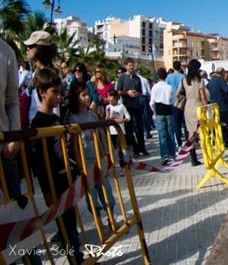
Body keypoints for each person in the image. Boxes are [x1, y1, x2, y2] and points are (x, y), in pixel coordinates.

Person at [30, 68, 83, 263]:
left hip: (65, 178)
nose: (59, 96)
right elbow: (38, 161)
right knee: (66, 227)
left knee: (70, 227)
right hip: (53, 183)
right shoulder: (38, 123)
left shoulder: (56, 118)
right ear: (43, 92)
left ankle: (77, 258)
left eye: (61, 92)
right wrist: (46, 189)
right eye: (55, 92)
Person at [66, 81, 116, 220]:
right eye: (83, 95)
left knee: (107, 192)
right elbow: (75, 145)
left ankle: (112, 218)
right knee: (92, 197)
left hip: (98, 160)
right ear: (76, 97)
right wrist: (80, 165)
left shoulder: (92, 115)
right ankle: (99, 222)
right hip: (85, 162)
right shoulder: (73, 118)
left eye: (88, 94)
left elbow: (99, 138)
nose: (87, 98)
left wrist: (104, 155)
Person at [1, 38, 21, 203]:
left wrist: (14, 137)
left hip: (3, 146)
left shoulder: (6, 53)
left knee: (11, 208)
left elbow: (12, 101)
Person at [23, 30, 58, 125]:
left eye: (30, 46)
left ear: (39, 48)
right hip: (34, 126)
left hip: (45, 130)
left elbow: (54, 107)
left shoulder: (51, 75)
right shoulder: (36, 73)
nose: (27, 49)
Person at [117, 58, 147, 157]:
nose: (132, 67)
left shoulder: (137, 78)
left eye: (133, 65)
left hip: (136, 105)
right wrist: (127, 93)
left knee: (139, 128)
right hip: (126, 106)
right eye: (130, 65)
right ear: (126, 66)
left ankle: (142, 148)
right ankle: (135, 148)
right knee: (129, 129)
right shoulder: (121, 78)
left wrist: (136, 94)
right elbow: (118, 91)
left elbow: (140, 91)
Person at [180, 59, 208, 166]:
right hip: (198, 107)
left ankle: (193, 159)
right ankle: (207, 155)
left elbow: (179, 92)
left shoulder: (184, 80)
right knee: (203, 132)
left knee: (191, 134)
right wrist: (206, 107)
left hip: (188, 107)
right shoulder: (200, 80)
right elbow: (203, 96)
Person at [150, 68, 176, 165]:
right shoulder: (169, 87)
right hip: (168, 111)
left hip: (159, 111)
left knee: (162, 135)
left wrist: (154, 112)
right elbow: (174, 101)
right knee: (170, 134)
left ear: (158, 76)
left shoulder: (154, 87)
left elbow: (152, 102)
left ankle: (164, 156)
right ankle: (172, 155)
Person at [207, 68, 228, 147]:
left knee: (215, 125)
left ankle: (217, 141)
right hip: (222, 106)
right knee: (227, 124)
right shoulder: (221, 80)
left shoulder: (211, 81)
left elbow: (207, 90)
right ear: (223, 73)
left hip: (212, 106)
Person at [166, 61, 186, 147]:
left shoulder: (168, 77)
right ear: (180, 67)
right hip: (183, 100)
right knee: (185, 122)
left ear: (173, 67)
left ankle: (178, 142)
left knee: (176, 123)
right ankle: (188, 139)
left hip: (173, 101)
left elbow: (167, 88)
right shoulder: (183, 76)